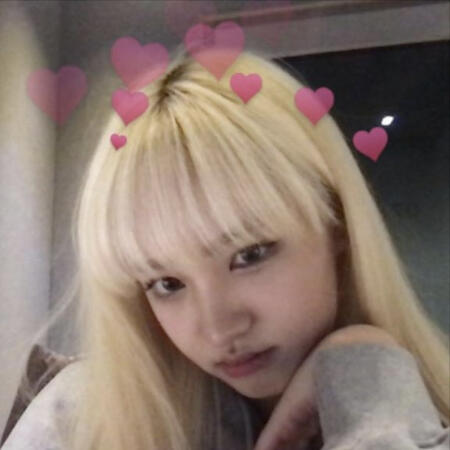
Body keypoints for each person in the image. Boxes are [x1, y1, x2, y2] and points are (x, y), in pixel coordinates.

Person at [2, 43, 449, 450]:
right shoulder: (81, 422)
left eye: (249, 255)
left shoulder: (413, 416)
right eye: (167, 283)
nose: (218, 329)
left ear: (336, 223)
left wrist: (364, 379)